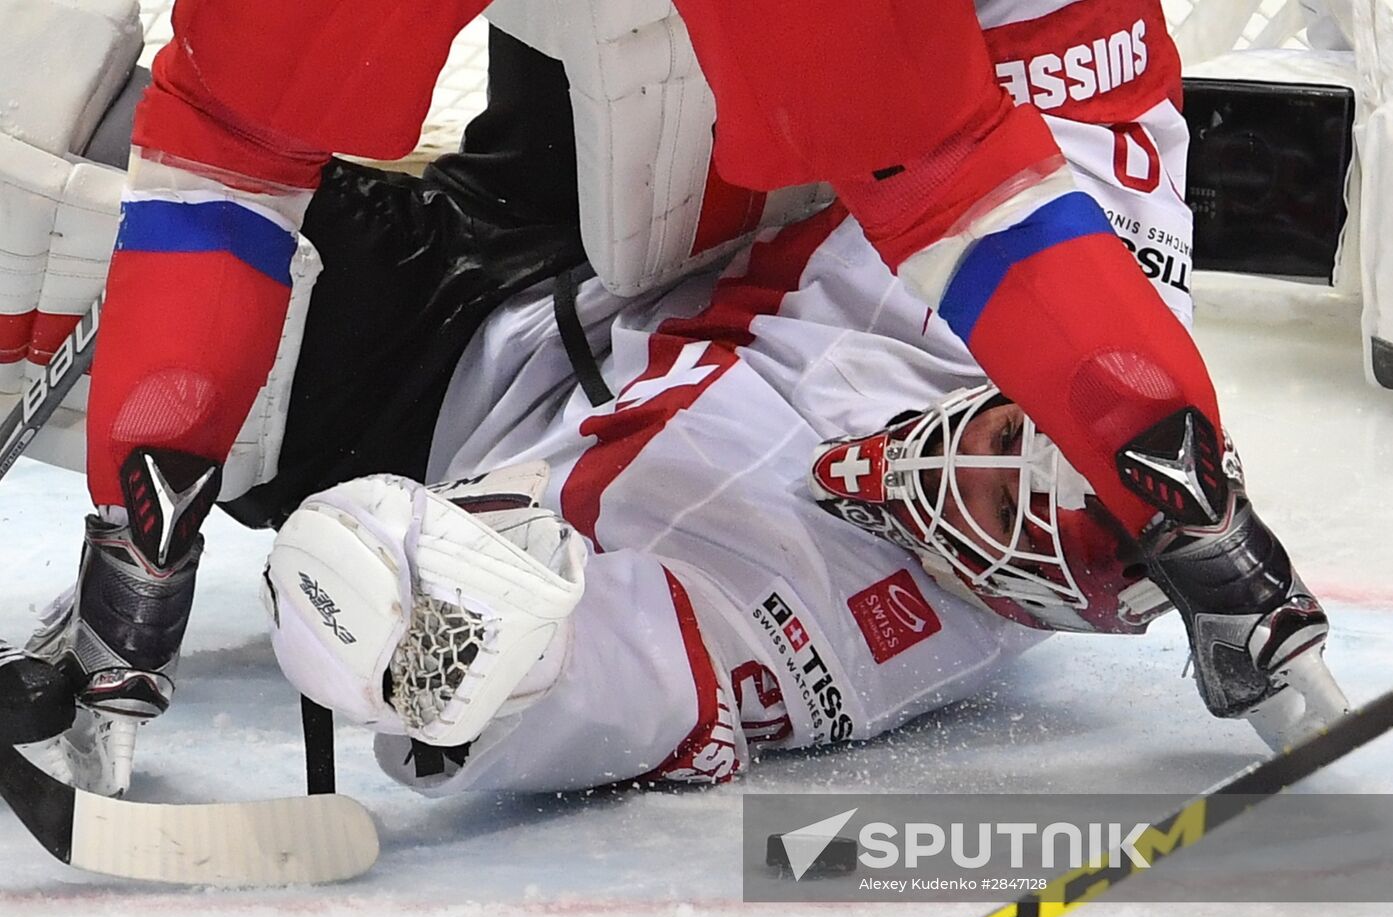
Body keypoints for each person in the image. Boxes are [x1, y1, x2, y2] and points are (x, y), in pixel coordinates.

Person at [0, 0, 1344, 793]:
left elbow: (958, 184)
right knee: (22, 85)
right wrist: (143, 517)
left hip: (909, 306)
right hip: (598, 224)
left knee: (488, 638)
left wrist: (1179, 504)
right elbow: (232, 151)